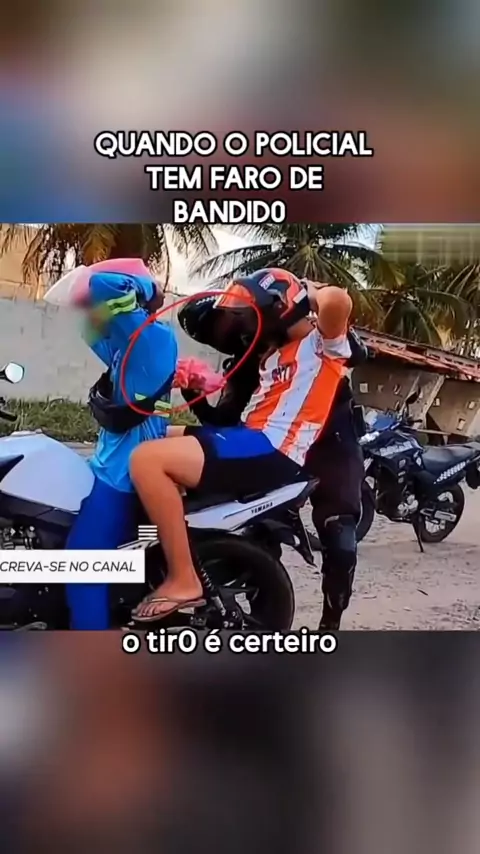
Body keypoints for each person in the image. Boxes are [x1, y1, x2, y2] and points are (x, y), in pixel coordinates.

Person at [129, 269, 361, 628]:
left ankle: (184, 579)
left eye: (249, 319)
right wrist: (193, 391)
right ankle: (148, 544)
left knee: (147, 460)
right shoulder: (268, 355)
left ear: (277, 313)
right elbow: (225, 417)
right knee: (152, 437)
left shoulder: (321, 346)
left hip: (287, 450)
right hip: (252, 439)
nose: (244, 330)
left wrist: (303, 292)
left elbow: (338, 301)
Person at [44, 259, 177, 630]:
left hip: (123, 475)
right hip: (108, 464)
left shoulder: (151, 339)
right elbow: (89, 328)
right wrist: (92, 302)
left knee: (82, 569)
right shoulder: (124, 345)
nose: (94, 310)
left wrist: (148, 287)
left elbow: (104, 287)